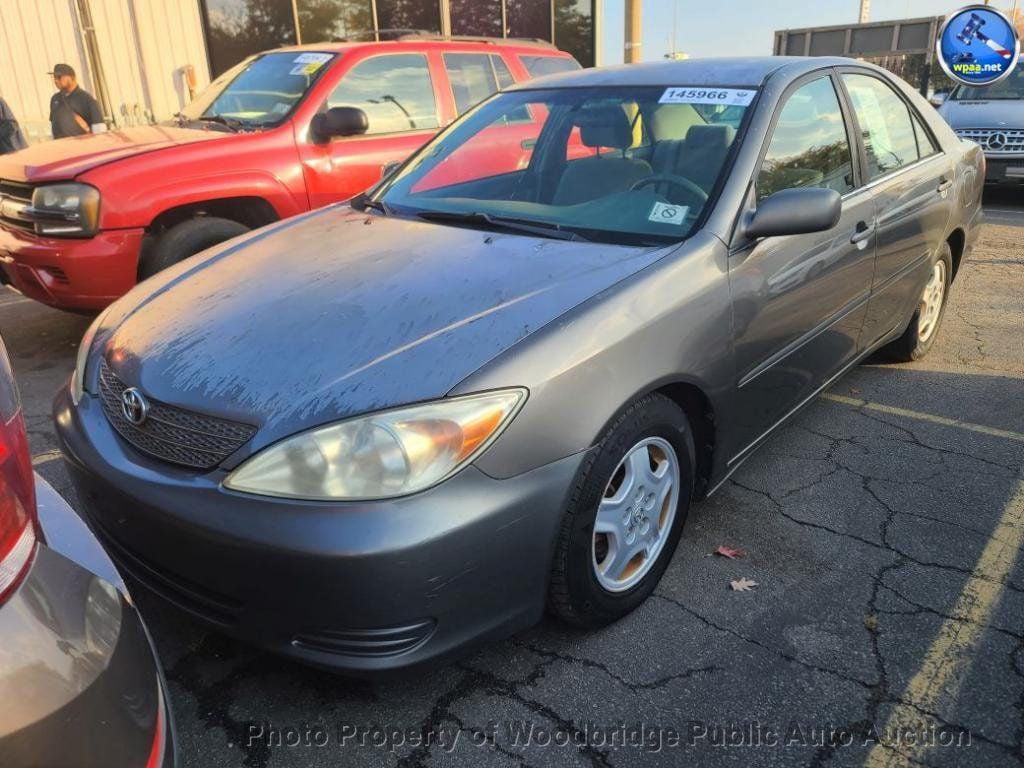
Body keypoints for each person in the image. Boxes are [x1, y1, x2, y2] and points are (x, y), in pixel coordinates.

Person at [48, 63, 104, 139]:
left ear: (72, 77)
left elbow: (100, 132)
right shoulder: (55, 99)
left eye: (59, 77)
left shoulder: (87, 100)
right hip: (60, 145)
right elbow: (53, 126)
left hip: (81, 145)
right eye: (54, 78)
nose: (56, 80)